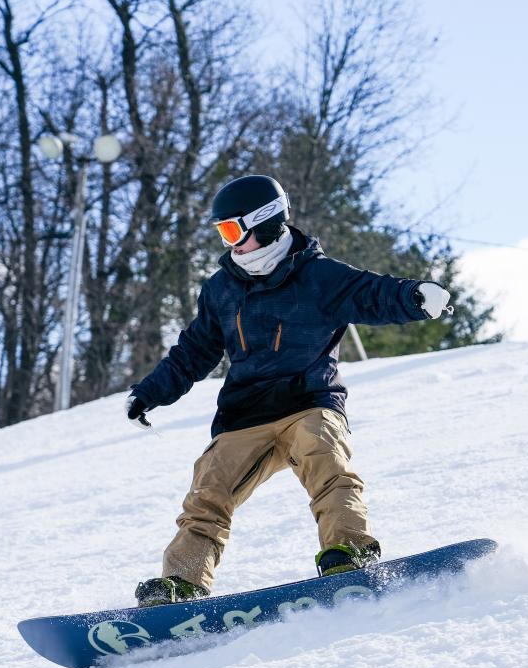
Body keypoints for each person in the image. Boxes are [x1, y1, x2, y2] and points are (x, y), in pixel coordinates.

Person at [126, 175, 453, 607]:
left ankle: (348, 552)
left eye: (231, 231)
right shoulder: (222, 288)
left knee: (326, 459)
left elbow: (372, 293)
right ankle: (182, 584)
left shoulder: (318, 276)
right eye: (221, 233)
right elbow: (194, 351)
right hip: (245, 415)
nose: (229, 244)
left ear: (263, 222)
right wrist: (151, 392)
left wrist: (415, 296)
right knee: (209, 490)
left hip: (308, 403)